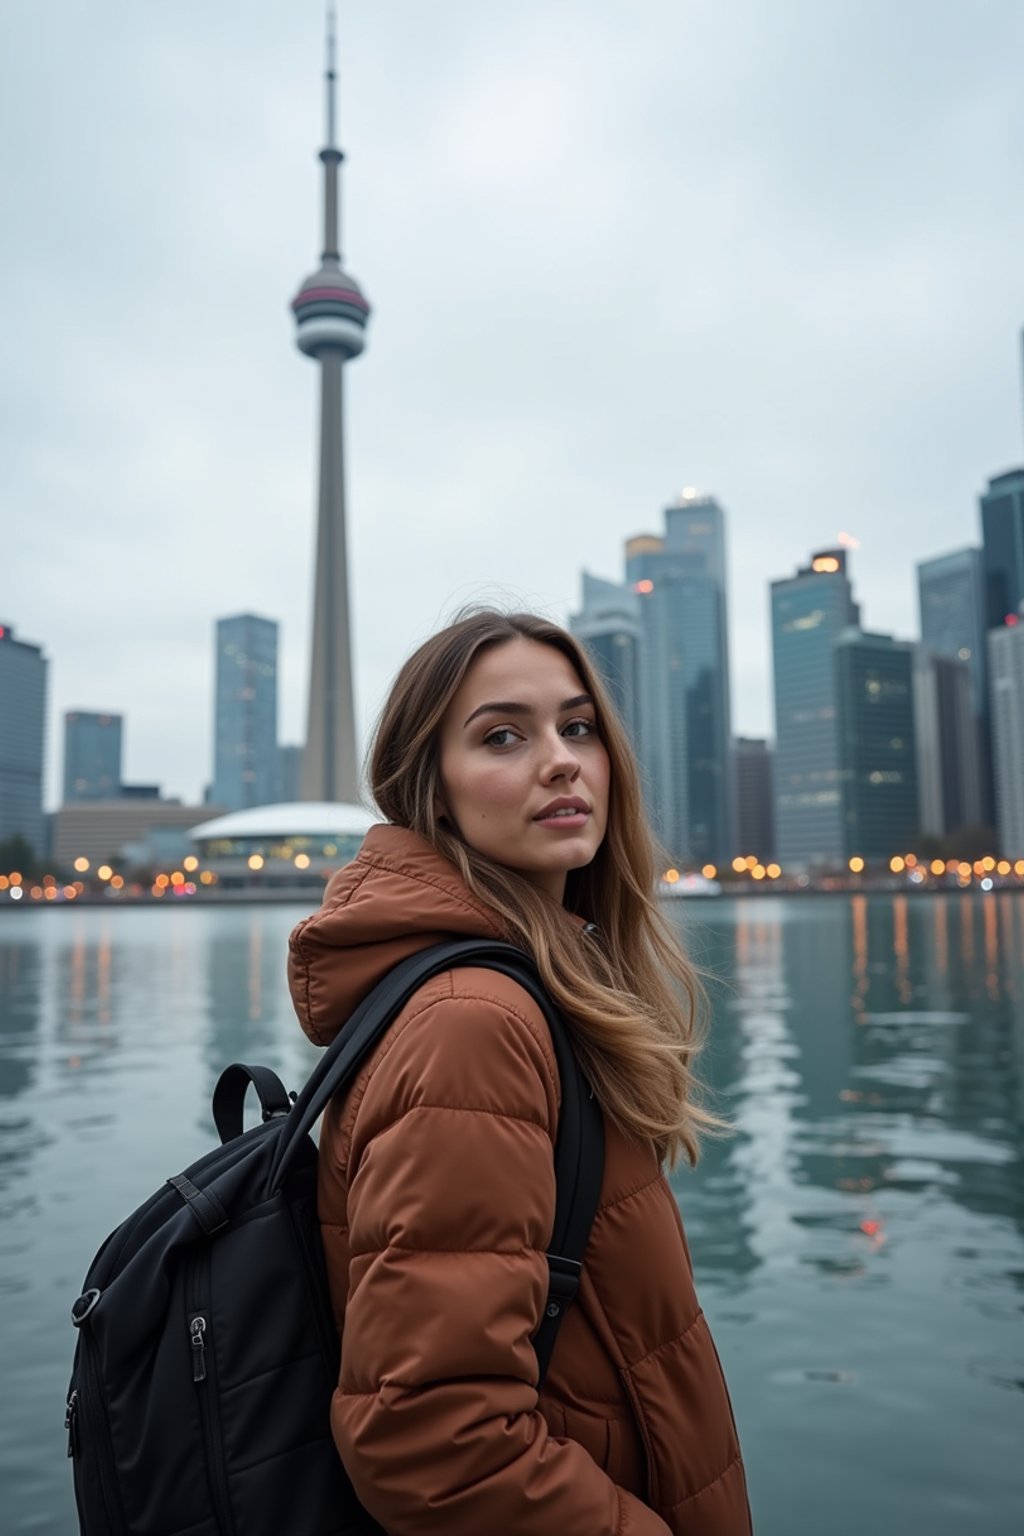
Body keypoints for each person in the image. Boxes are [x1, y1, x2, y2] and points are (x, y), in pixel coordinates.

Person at [288, 610, 752, 1536]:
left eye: (578, 727)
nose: (561, 760)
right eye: (504, 735)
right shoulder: (476, 1025)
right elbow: (432, 1439)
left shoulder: (536, 989)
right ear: (433, 791)